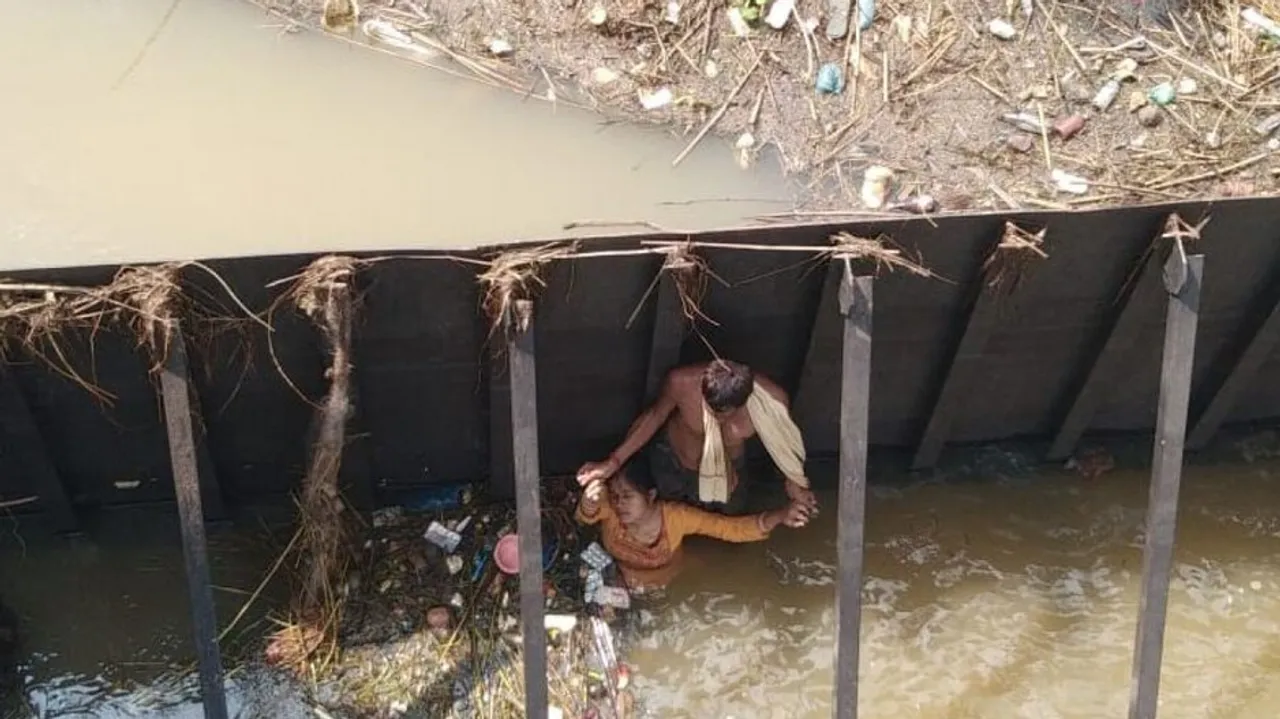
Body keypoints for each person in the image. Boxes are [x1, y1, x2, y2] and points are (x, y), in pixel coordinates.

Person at [577, 359, 817, 516]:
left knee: (730, 525)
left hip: (728, 475)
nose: (714, 418)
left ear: (743, 402)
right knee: (667, 517)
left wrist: (795, 484)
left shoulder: (771, 402)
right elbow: (654, 417)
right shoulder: (682, 383)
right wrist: (612, 462)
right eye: (709, 408)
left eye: (722, 414)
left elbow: (783, 446)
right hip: (675, 464)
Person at [575, 457, 811, 590]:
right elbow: (584, 518)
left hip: (669, 582)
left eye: (628, 496)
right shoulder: (610, 509)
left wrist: (780, 516)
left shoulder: (676, 518)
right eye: (616, 496)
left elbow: (730, 529)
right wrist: (587, 501)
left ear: (651, 495)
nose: (619, 503)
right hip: (617, 580)